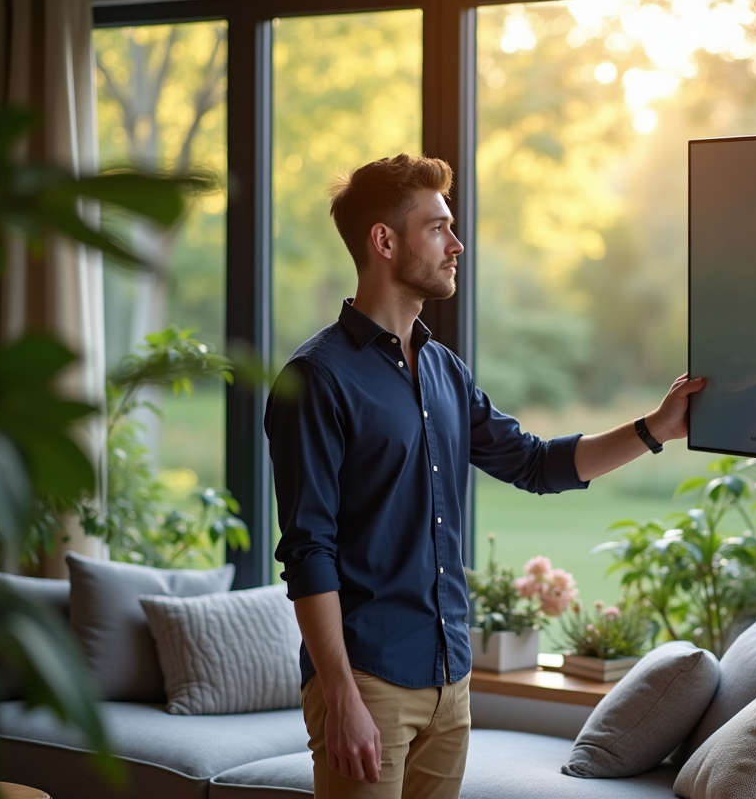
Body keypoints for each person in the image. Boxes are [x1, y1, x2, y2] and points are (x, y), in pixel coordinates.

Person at [265, 153, 705, 799]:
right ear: (384, 241)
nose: (457, 244)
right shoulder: (316, 379)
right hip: (368, 683)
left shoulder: (444, 370)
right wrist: (341, 696)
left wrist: (655, 428)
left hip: (450, 681)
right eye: (437, 228)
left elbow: (534, 463)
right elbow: (309, 552)